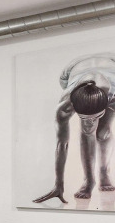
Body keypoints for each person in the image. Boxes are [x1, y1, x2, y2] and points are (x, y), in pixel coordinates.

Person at [34, 54, 115, 203]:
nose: (89, 123)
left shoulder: (113, 96)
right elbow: (62, 144)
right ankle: (89, 180)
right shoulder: (64, 107)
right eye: (84, 118)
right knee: (87, 132)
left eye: (95, 117)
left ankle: (104, 173)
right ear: (73, 108)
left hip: (111, 65)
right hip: (72, 70)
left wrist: (97, 119)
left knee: (103, 133)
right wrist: (58, 184)